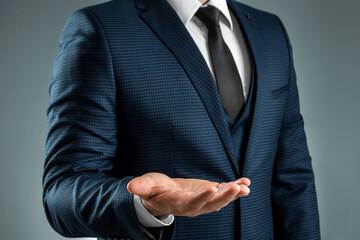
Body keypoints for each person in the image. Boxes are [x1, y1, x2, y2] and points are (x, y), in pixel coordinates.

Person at [42, 0, 320, 239]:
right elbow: (61, 195)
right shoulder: (102, 29)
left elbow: (293, 177)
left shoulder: (271, 30)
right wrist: (145, 205)